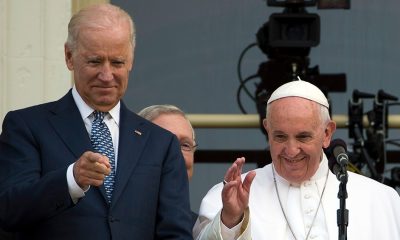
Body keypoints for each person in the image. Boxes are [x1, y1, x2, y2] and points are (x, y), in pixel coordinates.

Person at [0, 3, 192, 240]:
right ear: (69, 57)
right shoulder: (27, 126)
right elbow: (8, 210)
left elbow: (176, 233)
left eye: (118, 63)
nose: (106, 75)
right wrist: (71, 179)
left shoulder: (160, 143)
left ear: (131, 61)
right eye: (94, 61)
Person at [193, 80, 400, 240]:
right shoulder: (228, 198)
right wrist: (231, 220)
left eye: (303, 137)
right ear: (267, 129)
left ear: (327, 133)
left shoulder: (382, 201)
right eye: (280, 137)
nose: (291, 151)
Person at [138, 104, 198, 225]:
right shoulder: (113, 224)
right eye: (165, 143)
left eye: (185, 145)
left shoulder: (201, 230)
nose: (176, 155)